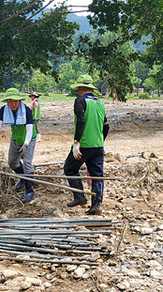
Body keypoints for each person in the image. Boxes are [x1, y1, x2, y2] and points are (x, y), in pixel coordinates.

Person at [64, 74, 109, 215]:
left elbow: (81, 121)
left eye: (78, 88)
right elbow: (106, 126)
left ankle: (79, 197)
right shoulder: (100, 104)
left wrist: (76, 142)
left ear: (80, 88)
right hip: (98, 147)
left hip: (83, 146)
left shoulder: (80, 101)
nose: (77, 91)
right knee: (97, 176)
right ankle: (97, 206)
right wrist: (100, 141)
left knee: (70, 168)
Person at [0, 88, 37, 203]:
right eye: (10, 101)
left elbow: (29, 130)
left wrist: (26, 144)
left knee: (27, 163)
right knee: (12, 163)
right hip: (16, 139)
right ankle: (23, 179)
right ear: (7, 102)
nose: (13, 104)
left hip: (28, 139)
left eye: (15, 101)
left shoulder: (27, 111)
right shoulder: (4, 110)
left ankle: (29, 190)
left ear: (19, 101)